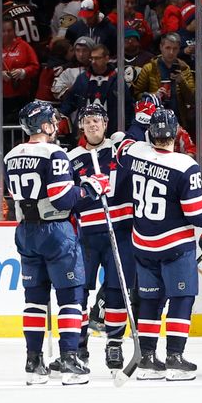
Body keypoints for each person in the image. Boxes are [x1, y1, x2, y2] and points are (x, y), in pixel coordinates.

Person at [120, 108, 202, 380]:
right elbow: (197, 212)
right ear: (176, 133)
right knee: (181, 297)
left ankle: (147, 358)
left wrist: (139, 121)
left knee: (151, 299)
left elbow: (124, 145)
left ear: (150, 132)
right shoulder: (185, 165)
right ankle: (175, 356)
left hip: (142, 243)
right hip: (174, 246)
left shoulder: (135, 154)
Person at [4, 101, 110, 385]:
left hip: (25, 230)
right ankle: (69, 359)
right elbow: (63, 198)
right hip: (55, 230)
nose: (56, 125)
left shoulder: (11, 155)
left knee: (34, 299)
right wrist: (90, 187)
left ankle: (33, 361)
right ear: (44, 125)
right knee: (70, 296)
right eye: (52, 121)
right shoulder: (54, 153)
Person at [65, 105, 135, 373]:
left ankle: (114, 342)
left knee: (118, 291)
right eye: (87, 121)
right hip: (86, 236)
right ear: (81, 126)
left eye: (97, 120)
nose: (92, 125)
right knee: (79, 291)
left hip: (120, 232)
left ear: (106, 123)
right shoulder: (71, 159)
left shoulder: (121, 152)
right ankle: (79, 345)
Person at [60, 44, 135, 137]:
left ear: (106, 58)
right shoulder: (83, 79)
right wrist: (62, 115)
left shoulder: (117, 81)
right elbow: (70, 102)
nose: (94, 62)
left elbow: (127, 107)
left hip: (111, 132)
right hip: (84, 133)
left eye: (97, 58)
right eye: (92, 58)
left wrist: (128, 129)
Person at [0, 16, 41, 123]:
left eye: (9, 30)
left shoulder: (24, 46)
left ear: (14, 31)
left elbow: (35, 66)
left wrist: (23, 72)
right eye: (3, 31)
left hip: (20, 98)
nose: (6, 34)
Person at [134, 32, 196, 131]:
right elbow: (137, 95)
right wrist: (154, 95)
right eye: (168, 48)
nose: (171, 52)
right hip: (154, 120)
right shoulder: (149, 68)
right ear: (161, 47)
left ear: (179, 49)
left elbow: (192, 99)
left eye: (175, 49)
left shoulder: (184, 69)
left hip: (178, 121)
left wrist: (182, 82)